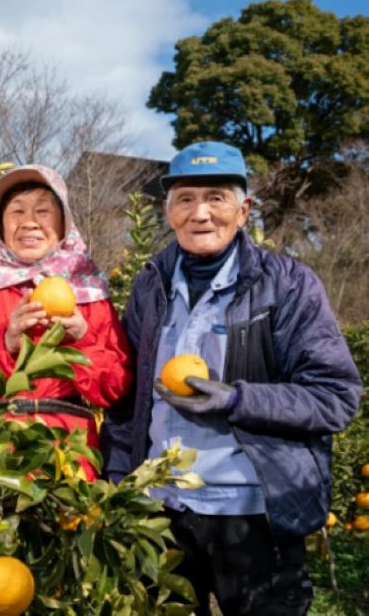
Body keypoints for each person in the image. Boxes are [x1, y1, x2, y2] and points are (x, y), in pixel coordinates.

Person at [100, 141, 362, 615]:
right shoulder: (149, 284)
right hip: (162, 513)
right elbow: (129, 399)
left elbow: (334, 397)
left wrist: (236, 400)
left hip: (254, 515)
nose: (200, 212)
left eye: (217, 197)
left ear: (244, 211)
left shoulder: (287, 284)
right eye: (185, 198)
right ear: (168, 211)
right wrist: (119, 479)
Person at [0, 164, 131, 480]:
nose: (29, 222)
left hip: (67, 453)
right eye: (16, 211)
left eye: (43, 211)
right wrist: (1, 343)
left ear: (63, 224)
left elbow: (114, 388)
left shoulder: (87, 290)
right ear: (0, 224)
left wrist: (81, 339)